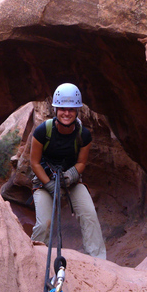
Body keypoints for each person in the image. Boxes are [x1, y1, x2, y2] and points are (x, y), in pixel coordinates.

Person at [30, 83, 106, 259]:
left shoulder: (83, 135)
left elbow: (81, 162)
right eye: (62, 108)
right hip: (44, 181)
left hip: (71, 181)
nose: (66, 113)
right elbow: (34, 163)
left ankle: (99, 261)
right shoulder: (43, 131)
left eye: (71, 109)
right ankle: (35, 258)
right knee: (44, 225)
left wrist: (71, 175)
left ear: (77, 111)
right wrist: (49, 185)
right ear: (55, 109)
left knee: (90, 216)